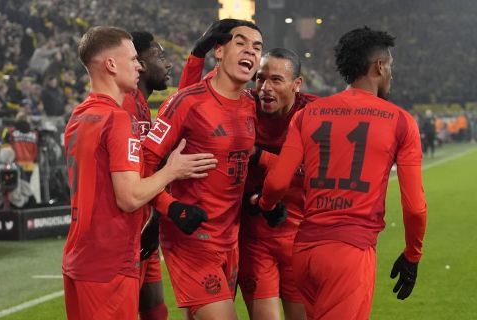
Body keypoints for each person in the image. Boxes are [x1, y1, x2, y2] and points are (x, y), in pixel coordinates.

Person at [254, 26, 427, 319]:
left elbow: (277, 182)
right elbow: (415, 208)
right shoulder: (400, 121)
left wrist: (266, 205)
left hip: (305, 252)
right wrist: (413, 254)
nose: (391, 75)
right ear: (380, 66)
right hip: (349, 253)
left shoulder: (307, 114)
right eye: (390, 67)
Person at [62, 26, 216, 320]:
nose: (138, 65)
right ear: (111, 64)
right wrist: (172, 171)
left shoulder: (80, 114)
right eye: (133, 59)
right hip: (110, 259)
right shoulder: (119, 120)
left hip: (80, 256)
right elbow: (130, 197)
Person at [179, 43, 316, 319]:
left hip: (301, 238)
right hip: (255, 238)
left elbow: (314, 171)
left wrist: (258, 156)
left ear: (296, 84)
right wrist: (196, 57)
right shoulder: (244, 104)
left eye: (276, 80)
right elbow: (189, 102)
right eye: (260, 78)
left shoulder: (315, 115)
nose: (265, 87)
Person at [142, 19, 263, 320]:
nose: (250, 50)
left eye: (257, 47)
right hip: (191, 238)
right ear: (219, 51)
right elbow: (143, 165)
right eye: (241, 43)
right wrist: (171, 208)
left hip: (230, 237)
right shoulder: (186, 102)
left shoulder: (250, 104)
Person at [121, 31, 172, 320]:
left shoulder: (141, 106)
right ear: (138, 62)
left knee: (156, 312)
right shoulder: (124, 107)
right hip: (129, 231)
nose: (167, 65)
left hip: (145, 225)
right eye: (160, 56)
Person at [1, 112, 38, 182]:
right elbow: (35, 149)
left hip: (16, 164)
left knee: (16, 186)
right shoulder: (33, 133)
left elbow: (3, 137)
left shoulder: (11, 131)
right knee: (26, 185)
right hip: (29, 164)